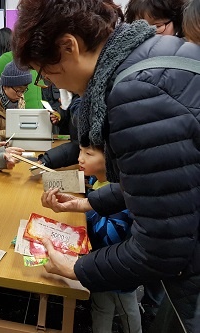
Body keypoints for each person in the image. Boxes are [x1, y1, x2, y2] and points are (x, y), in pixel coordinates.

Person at [12, 0, 200, 332]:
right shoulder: (155, 54)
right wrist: (91, 201)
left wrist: (77, 267)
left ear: (69, 46)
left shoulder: (135, 93)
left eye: (45, 73)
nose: (51, 84)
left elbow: (161, 248)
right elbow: (162, 184)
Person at [79, 144, 142, 333]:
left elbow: (110, 234)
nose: (80, 158)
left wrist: (84, 213)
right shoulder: (96, 180)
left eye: (88, 153)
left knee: (127, 310)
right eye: (80, 151)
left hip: (119, 270)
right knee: (100, 305)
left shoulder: (119, 193)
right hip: (99, 262)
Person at [0, 61, 32, 140]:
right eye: (18, 90)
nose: (21, 95)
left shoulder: (19, 99)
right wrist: (13, 132)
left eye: (23, 91)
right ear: (5, 86)